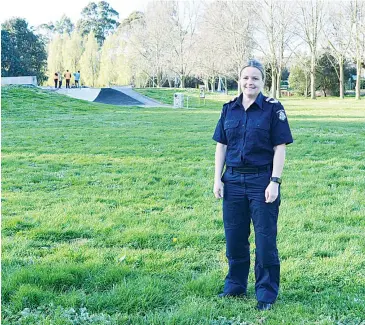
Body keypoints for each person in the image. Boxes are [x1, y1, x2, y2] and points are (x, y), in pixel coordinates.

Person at [212, 59, 293, 311]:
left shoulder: (273, 108)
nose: (250, 82)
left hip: (261, 181)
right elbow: (221, 145)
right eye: (246, 78)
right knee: (234, 237)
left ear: (262, 81)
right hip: (233, 180)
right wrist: (217, 178)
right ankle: (235, 286)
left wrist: (275, 181)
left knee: (265, 239)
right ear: (240, 80)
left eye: (255, 78)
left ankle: (266, 293)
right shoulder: (228, 109)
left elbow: (280, 147)